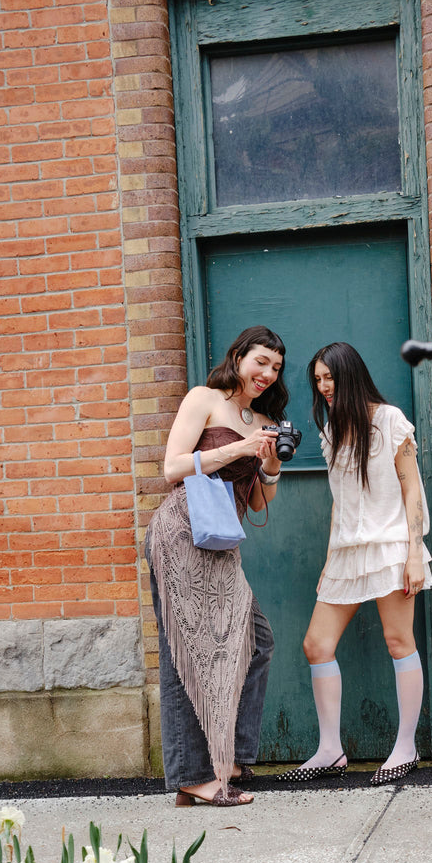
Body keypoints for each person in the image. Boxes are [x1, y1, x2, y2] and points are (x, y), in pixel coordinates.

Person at [145, 326, 288, 807]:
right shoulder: (204, 398)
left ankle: (227, 761)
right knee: (184, 645)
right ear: (239, 356)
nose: (267, 373)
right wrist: (237, 448)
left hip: (222, 539)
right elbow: (171, 467)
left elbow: (260, 498)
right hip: (183, 529)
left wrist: (269, 464)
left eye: (276, 367)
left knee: (257, 640)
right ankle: (191, 777)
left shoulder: (264, 419)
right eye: (261, 362)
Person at [278, 342, 432, 787]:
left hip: (390, 547)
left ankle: (405, 747)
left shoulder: (389, 420)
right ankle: (331, 751)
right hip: (346, 554)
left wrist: (412, 552)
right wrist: (329, 563)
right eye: (319, 380)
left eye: (331, 378)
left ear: (351, 375)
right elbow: (339, 505)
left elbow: (411, 491)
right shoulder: (332, 434)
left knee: (398, 641)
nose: (324, 387)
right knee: (316, 645)